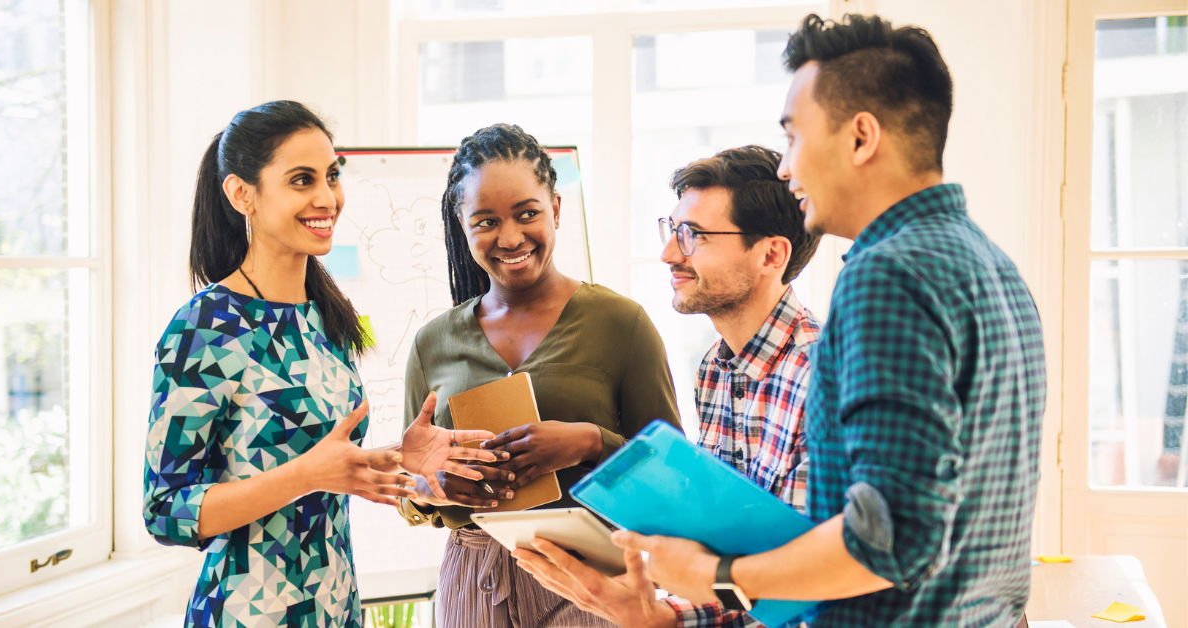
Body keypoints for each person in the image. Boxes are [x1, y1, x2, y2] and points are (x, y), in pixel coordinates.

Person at [550, 13, 1048, 627]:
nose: (787, 169)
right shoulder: (990, 264)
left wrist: (716, 579)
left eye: (793, 137)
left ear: (861, 137)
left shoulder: (887, 274)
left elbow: (891, 534)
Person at [143, 100, 499, 628]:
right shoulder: (205, 327)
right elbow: (166, 510)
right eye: (301, 180)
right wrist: (306, 475)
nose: (326, 198)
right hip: (247, 614)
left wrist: (399, 458)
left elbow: (327, 463)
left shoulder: (327, 317)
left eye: (332, 176)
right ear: (243, 194)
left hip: (336, 608)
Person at [513, 145, 822, 628]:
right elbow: (726, 566)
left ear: (771, 254)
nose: (668, 253)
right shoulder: (715, 370)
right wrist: (662, 615)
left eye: (694, 235)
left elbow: (806, 586)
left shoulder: (824, 376)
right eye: (673, 230)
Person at [394, 123, 681, 628]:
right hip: (473, 578)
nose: (509, 237)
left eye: (527, 214)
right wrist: (427, 484)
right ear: (462, 224)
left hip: (587, 574)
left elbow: (673, 473)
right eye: (485, 221)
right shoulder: (432, 343)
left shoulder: (620, 323)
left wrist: (591, 442)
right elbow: (413, 492)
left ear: (556, 208)